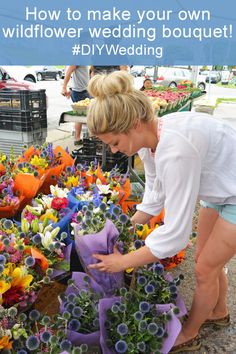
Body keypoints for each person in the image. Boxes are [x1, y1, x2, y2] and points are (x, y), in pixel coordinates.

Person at [86, 71, 236, 352]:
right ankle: (218, 312)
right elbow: (156, 191)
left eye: (114, 143)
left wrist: (123, 262)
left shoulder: (175, 149)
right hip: (221, 187)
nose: (115, 151)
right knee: (206, 259)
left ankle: (190, 333)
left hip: (233, 192)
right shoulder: (151, 139)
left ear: (133, 124)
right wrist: (129, 224)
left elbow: (176, 235)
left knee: (205, 269)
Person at [61, 65, 89, 144]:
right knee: (80, 116)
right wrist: (64, 87)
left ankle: (77, 134)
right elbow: (69, 72)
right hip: (79, 92)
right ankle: (77, 139)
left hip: (83, 90)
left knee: (82, 116)